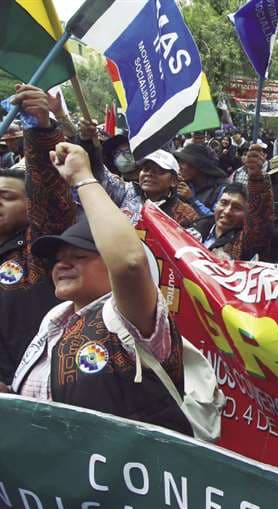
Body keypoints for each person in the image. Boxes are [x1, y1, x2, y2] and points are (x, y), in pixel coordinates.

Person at [6, 142, 191, 435]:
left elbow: (129, 263)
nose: (61, 265)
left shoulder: (134, 320)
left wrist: (83, 178)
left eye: (78, 257)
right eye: (58, 259)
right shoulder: (55, 319)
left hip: (120, 478)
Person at [0, 85, 76, 388]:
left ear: (29, 206)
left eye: (5, 196)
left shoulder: (38, 248)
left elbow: (49, 194)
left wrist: (41, 129)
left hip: (27, 394)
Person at [190, 146, 273, 261]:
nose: (227, 211)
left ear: (246, 214)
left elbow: (260, 224)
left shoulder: (244, 242)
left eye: (237, 207)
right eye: (224, 203)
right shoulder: (194, 228)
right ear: (216, 205)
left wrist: (256, 179)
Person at [174, 143, 228, 217]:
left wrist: (192, 200)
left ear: (196, 166)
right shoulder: (185, 184)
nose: (179, 167)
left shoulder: (221, 189)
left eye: (183, 163)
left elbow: (216, 219)